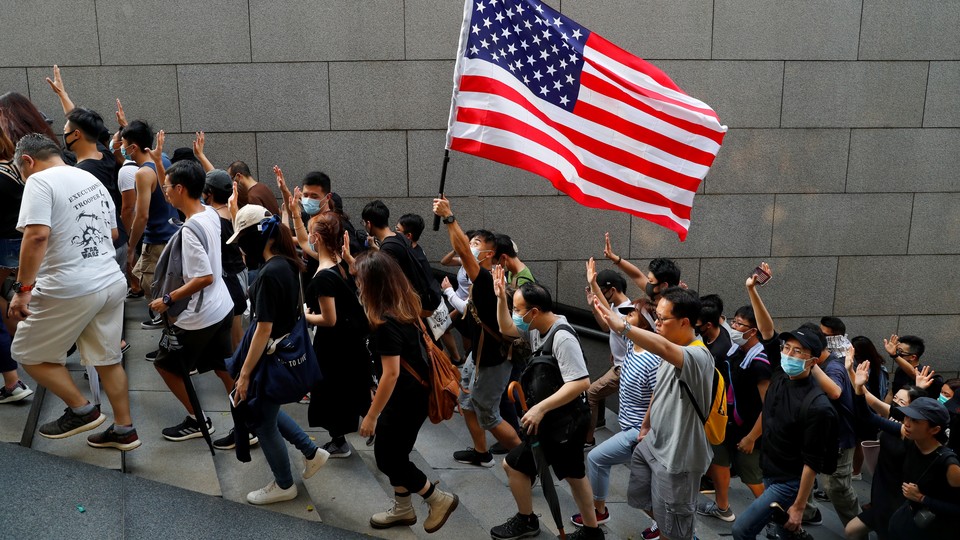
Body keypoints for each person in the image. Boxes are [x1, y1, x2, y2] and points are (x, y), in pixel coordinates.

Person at [9, 133, 138, 450]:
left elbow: (37, 236)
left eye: (21, 173)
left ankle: (82, 410)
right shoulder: (89, 179)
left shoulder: (40, 182)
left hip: (71, 284)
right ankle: (125, 430)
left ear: (27, 161)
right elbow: (112, 231)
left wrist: (23, 289)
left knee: (26, 353)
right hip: (109, 279)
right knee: (108, 360)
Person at [595, 286, 715, 540]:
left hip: (678, 455)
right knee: (643, 496)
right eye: (656, 317)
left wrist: (623, 328)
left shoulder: (697, 355)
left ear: (684, 322)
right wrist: (646, 424)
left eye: (662, 319)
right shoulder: (669, 346)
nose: (657, 323)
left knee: (676, 524)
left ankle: (679, 533)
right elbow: (658, 389)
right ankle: (665, 525)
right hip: (654, 443)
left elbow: (663, 348)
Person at [229, 204, 329, 505]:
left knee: (263, 420)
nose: (242, 248)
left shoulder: (270, 273)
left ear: (259, 238)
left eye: (243, 239)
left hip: (270, 355)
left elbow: (263, 329)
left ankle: (284, 484)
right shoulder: (287, 262)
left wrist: (244, 374)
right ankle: (311, 452)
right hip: (282, 351)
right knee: (268, 410)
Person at [731, 265, 839, 540]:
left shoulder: (817, 406)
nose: (788, 354)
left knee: (742, 530)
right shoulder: (780, 373)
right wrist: (751, 290)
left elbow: (812, 463)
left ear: (813, 361)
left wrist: (800, 507)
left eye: (798, 351)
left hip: (789, 482)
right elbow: (767, 331)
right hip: (770, 469)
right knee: (782, 532)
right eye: (787, 348)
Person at [354, 251, 459, 533]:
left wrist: (372, 416)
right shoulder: (402, 309)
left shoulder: (385, 323)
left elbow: (391, 373)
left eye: (360, 280)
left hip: (404, 400)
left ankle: (437, 498)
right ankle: (403, 509)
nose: (358, 286)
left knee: (387, 458)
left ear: (374, 284)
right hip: (412, 397)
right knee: (396, 453)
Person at [491, 274, 602, 540]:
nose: (516, 315)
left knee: (513, 465)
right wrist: (499, 300)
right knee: (575, 474)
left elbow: (581, 382)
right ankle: (592, 531)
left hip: (562, 422)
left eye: (518, 310)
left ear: (535, 311)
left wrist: (540, 409)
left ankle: (527, 520)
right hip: (560, 420)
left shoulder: (562, 337)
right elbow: (507, 328)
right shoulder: (538, 328)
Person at [145, 148, 236, 443]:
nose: (164, 192)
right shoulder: (207, 211)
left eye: (168, 188)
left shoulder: (190, 229)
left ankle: (198, 420)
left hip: (199, 316)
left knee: (165, 365)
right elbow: (173, 189)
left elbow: (204, 276)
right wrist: (159, 163)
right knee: (224, 366)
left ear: (181, 189)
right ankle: (249, 418)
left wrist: (168, 299)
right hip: (222, 307)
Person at [433, 197, 521, 467]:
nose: (470, 248)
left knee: (489, 414)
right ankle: (481, 452)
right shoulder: (485, 279)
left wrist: (449, 217)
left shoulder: (485, 279)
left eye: (476, 244)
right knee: (466, 401)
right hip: (479, 355)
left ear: (489, 254)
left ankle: (527, 460)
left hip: (494, 360)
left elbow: (458, 245)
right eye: (471, 243)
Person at [573, 296, 658, 529]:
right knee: (649, 487)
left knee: (597, 459)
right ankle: (666, 526)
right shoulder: (632, 343)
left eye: (631, 314)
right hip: (631, 427)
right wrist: (596, 300)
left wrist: (646, 427)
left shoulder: (653, 359)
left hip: (639, 433)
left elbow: (659, 395)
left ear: (644, 324)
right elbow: (613, 322)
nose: (625, 317)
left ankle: (600, 512)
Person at [304, 211, 372, 459]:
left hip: (335, 346)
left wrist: (302, 317)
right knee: (349, 391)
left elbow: (328, 319)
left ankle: (343, 440)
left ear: (318, 238)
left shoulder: (324, 276)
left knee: (337, 393)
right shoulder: (338, 263)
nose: (308, 236)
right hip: (347, 344)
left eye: (310, 231)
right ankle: (344, 437)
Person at [698, 304, 771, 525]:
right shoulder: (735, 351)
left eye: (740, 324)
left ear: (753, 331)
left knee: (752, 476)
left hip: (748, 430)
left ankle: (776, 516)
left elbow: (768, 406)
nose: (735, 327)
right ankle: (722, 507)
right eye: (735, 322)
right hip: (726, 423)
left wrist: (751, 437)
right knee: (719, 463)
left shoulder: (760, 363)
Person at [845, 358, 925, 539]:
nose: (895, 403)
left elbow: (868, 415)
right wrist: (852, 373)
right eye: (895, 398)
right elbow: (866, 396)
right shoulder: (896, 418)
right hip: (882, 488)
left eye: (901, 402)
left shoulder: (907, 431)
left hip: (897, 496)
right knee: (851, 530)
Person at [121, 120, 178, 331]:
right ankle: (169, 335)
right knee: (169, 291)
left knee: (155, 291)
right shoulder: (162, 159)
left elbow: (141, 215)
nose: (121, 149)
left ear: (133, 147)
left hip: (157, 241)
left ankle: (170, 340)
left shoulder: (142, 174)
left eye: (123, 145)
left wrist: (130, 246)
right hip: (172, 234)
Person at [584, 258, 635, 447]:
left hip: (624, 368)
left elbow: (613, 320)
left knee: (591, 393)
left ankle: (588, 439)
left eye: (604, 292)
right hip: (620, 364)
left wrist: (592, 284)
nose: (602, 296)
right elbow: (606, 327)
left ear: (612, 290)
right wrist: (594, 307)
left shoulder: (628, 310)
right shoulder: (616, 307)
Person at [0, 126, 31, 404]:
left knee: (4, 299)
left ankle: (14, 372)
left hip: (6, 243)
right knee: (8, 296)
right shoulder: (13, 164)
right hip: (19, 239)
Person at [202, 169, 248, 351]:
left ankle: (244, 375)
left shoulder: (215, 220)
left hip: (231, 280)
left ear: (210, 193)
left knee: (236, 339)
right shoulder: (231, 213)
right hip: (237, 274)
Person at [602, 232, 681, 302]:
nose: (647, 283)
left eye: (650, 281)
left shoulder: (677, 310)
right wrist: (614, 257)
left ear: (663, 286)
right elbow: (637, 275)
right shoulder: (656, 293)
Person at [885, 334, 943, 399]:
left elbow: (913, 373)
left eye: (900, 351)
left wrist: (894, 355)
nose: (897, 352)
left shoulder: (926, 377)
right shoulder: (900, 370)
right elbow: (892, 392)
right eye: (897, 350)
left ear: (913, 357)